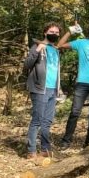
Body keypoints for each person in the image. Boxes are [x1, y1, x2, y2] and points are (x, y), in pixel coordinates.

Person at [23, 23, 63, 160]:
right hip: (40, 89)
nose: (54, 34)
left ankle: (45, 149)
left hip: (53, 90)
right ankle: (31, 151)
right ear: (45, 33)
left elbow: (56, 71)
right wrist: (38, 50)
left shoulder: (55, 50)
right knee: (37, 120)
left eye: (57, 32)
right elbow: (27, 64)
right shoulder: (37, 46)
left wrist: (59, 89)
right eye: (51, 31)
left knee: (47, 121)